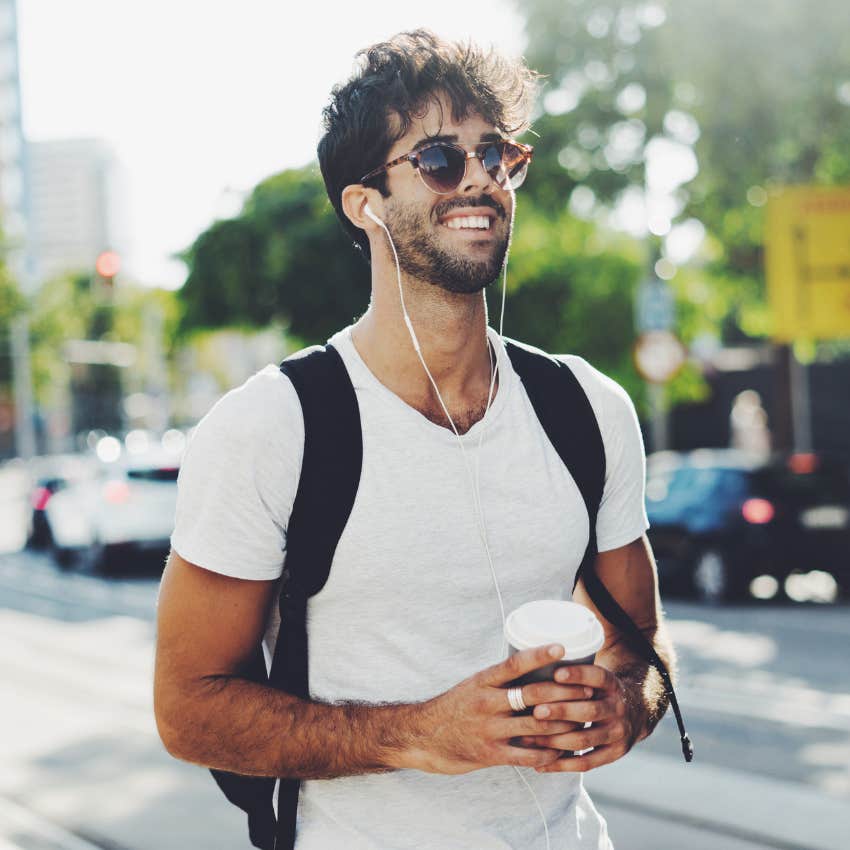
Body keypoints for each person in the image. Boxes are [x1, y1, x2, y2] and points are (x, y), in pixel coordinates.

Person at [153, 29, 677, 850]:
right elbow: (190, 709)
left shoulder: (589, 407)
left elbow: (641, 647)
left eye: (497, 155)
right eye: (439, 158)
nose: (480, 179)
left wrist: (626, 707)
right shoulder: (271, 429)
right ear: (364, 203)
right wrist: (419, 732)